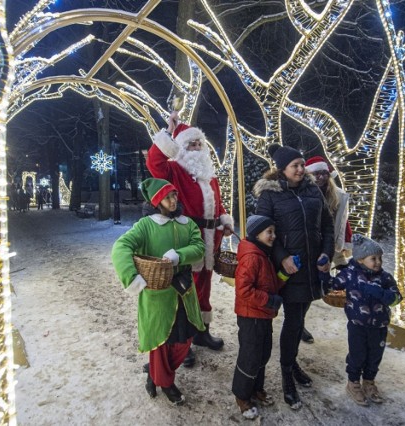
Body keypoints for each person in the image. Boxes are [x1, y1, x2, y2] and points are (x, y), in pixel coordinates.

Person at [147, 111, 234, 367]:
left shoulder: (210, 176)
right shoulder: (173, 171)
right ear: (181, 149)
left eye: (199, 144)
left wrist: (225, 219)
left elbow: (219, 204)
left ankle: (201, 333)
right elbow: (155, 163)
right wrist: (168, 133)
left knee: (204, 289)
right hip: (187, 241)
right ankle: (181, 342)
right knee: (185, 292)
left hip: (211, 242)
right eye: (191, 144)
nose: (196, 148)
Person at [111, 178, 206, 406]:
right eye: (167, 197)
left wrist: (178, 255)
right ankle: (165, 382)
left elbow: (199, 248)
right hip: (157, 296)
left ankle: (154, 374)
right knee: (161, 344)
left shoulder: (188, 223)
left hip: (184, 292)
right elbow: (120, 247)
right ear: (157, 201)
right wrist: (132, 277)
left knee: (184, 339)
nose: (173, 201)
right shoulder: (145, 226)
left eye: (174, 196)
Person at [254, 143, 334, 410]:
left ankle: (292, 363)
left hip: (314, 268)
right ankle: (287, 373)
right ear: (282, 169)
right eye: (295, 166)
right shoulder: (270, 195)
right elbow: (263, 232)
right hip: (290, 270)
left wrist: (327, 253)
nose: (301, 169)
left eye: (302, 164)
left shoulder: (313, 190)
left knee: (300, 318)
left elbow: (327, 225)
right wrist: (282, 257)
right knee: (294, 320)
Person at [324, 233, 402, 406]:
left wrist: (383, 294)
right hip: (357, 326)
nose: (378, 262)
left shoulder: (385, 278)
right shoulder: (350, 274)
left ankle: (369, 382)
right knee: (357, 355)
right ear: (360, 260)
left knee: (374, 356)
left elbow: (397, 298)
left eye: (380, 258)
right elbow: (332, 285)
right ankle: (353, 383)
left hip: (379, 326)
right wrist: (323, 273)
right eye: (373, 258)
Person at [232, 215, 285, 420]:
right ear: (256, 234)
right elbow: (243, 290)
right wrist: (269, 300)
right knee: (250, 356)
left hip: (263, 315)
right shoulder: (252, 257)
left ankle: (256, 388)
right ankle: (242, 395)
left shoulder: (264, 254)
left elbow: (269, 284)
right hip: (250, 315)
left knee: (263, 354)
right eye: (269, 232)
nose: (273, 236)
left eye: (274, 231)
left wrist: (284, 276)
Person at [301, 156, 353, 344]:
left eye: (324, 172)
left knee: (314, 288)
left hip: (325, 247)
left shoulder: (337, 196)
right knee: (302, 289)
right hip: (306, 246)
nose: (321, 177)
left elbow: (341, 226)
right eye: (317, 173)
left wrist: (340, 255)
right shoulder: (302, 192)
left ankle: (299, 323)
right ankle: (297, 324)